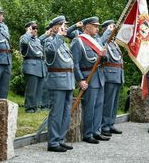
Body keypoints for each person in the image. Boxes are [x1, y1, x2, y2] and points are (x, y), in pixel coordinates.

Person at [71, 16, 110, 144]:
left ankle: (96, 131)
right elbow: (75, 63)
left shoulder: (96, 41)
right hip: (88, 77)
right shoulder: (79, 41)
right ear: (87, 26)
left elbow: (103, 59)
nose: (97, 28)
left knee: (99, 106)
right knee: (90, 107)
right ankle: (88, 133)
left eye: (98, 26)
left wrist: (104, 56)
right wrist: (80, 80)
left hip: (99, 76)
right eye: (95, 26)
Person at [44, 15, 74, 152]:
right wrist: (59, 36)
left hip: (67, 80)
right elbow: (50, 52)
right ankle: (53, 142)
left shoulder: (62, 42)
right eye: (63, 25)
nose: (65, 27)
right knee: (56, 113)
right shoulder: (49, 41)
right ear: (56, 27)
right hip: (57, 81)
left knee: (65, 113)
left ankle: (60, 139)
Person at [100, 20, 124, 136]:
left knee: (114, 102)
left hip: (117, 75)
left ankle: (110, 123)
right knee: (108, 102)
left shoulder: (114, 43)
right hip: (109, 75)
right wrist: (107, 33)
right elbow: (100, 44)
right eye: (111, 27)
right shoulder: (104, 42)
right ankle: (104, 125)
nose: (114, 29)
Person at [19, 21, 46, 113]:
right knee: (31, 88)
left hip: (39, 65)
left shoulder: (37, 40)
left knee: (39, 88)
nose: (35, 30)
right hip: (31, 66)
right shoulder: (24, 38)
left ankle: (36, 106)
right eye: (33, 28)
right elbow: (24, 43)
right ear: (27, 29)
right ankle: (30, 107)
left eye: (36, 28)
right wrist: (28, 33)